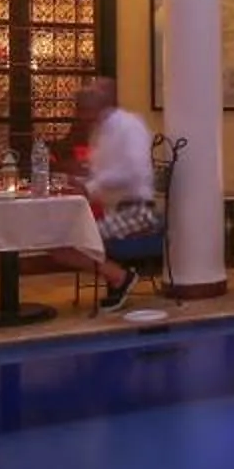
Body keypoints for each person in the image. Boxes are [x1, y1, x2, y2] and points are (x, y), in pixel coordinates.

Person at [76, 78, 152, 314]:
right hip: (111, 209)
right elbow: (99, 173)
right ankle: (117, 276)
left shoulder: (129, 126)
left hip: (136, 211)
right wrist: (78, 181)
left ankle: (121, 277)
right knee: (63, 235)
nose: (81, 117)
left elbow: (133, 171)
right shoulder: (100, 131)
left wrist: (91, 187)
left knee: (73, 239)